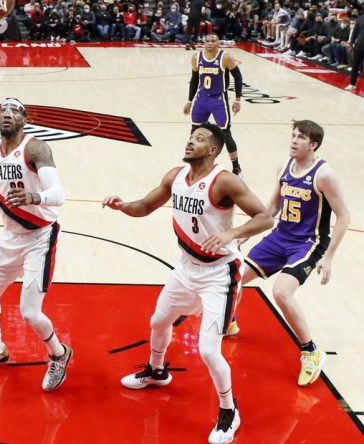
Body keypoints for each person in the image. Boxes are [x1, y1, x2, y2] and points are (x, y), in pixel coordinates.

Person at [102, 123, 273, 444]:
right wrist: (123, 205)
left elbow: (265, 218)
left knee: (209, 350)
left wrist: (231, 234)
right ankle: (156, 371)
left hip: (220, 274)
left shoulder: (225, 180)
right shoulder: (175, 176)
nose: (190, 142)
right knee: (158, 321)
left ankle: (228, 409)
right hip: (185, 269)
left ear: (212, 150)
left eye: (199, 139)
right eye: (190, 137)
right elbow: (145, 206)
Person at [0, 98, 72, 392]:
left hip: (40, 237)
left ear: (25, 119)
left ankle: (59, 354)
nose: (7, 114)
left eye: (15, 110)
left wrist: (35, 197)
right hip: (10, 237)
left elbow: (59, 194)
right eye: (3, 110)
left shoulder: (35, 148)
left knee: (30, 312)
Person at [229, 120, 349, 386]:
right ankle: (230, 321)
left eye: (301, 138)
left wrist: (328, 256)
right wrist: (247, 234)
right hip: (279, 237)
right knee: (234, 278)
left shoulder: (324, 174)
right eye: (293, 135)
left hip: (308, 243)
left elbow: (343, 217)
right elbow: (272, 206)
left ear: (313, 145)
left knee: (281, 292)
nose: (294, 140)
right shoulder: (284, 166)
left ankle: (311, 351)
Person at [183, 33, 245, 177]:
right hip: (202, 98)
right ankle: (194, 164)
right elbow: (194, 80)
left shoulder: (226, 57)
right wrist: (189, 101)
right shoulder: (196, 57)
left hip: (219, 99)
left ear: (218, 43)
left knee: (225, 133)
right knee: (195, 132)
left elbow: (238, 77)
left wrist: (237, 100)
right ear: (204, 43)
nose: (210, 43)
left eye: (213, 41)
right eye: (207, 41)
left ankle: (236, 167)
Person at [344, 12, 364, 92]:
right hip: (359, 45)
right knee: (355, 65)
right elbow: (354, 32)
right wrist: (351, 44)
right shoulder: (361, 18)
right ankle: (352, 84)